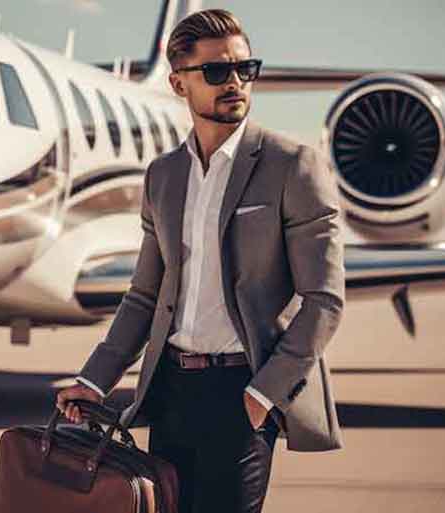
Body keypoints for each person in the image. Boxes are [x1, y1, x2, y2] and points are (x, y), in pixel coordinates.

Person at [56, 8, 345, 513]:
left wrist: (264, 395)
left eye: (244, 68)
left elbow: (324, 300)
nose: (234, 82)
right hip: (170, 392)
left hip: (242, 391)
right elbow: (144, 296)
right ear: (178, 84)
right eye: (216, 71)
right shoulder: (163, 177)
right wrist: (93, 379)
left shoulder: (293, 167)